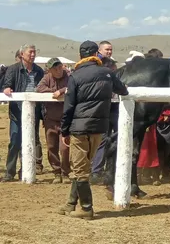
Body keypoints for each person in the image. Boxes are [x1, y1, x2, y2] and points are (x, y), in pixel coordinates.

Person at [57, 40, 128, 220]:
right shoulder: (108, 73)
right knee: (84, 167)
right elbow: (123, 91)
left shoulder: (76, 76)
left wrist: (64, 131)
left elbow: (69, 106)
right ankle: (70, 203)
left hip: (79, 129)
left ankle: (87, 208)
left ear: (81, 55)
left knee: (80, 169)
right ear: (96, 54)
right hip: (99, 128)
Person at [1, 44, 44, 182]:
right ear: (22, 54)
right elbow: (6, 85)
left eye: (34, 52)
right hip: (16, 111)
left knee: (31, 140)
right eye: (30, 52)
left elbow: (43, 87)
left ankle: (26, 170)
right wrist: (7, 89)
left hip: (34, 112)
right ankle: (10, 172)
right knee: (15, 141)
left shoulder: (39, 71)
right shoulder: (13, 69)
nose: (33, 54)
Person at [36, 58, 71, 184]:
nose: (58, 70)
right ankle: (56, 172)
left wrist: (61, 91)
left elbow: (72, 87)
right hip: (50, 119)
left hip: (65, 119)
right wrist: (53, 92)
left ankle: (65, 172)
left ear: (62, 66)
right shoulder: (47, 78)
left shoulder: (69, 76)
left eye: (59, 67)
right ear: (49, 70)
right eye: (54, 68)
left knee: (65, 148)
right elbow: (39, 88)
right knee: (51, 147)